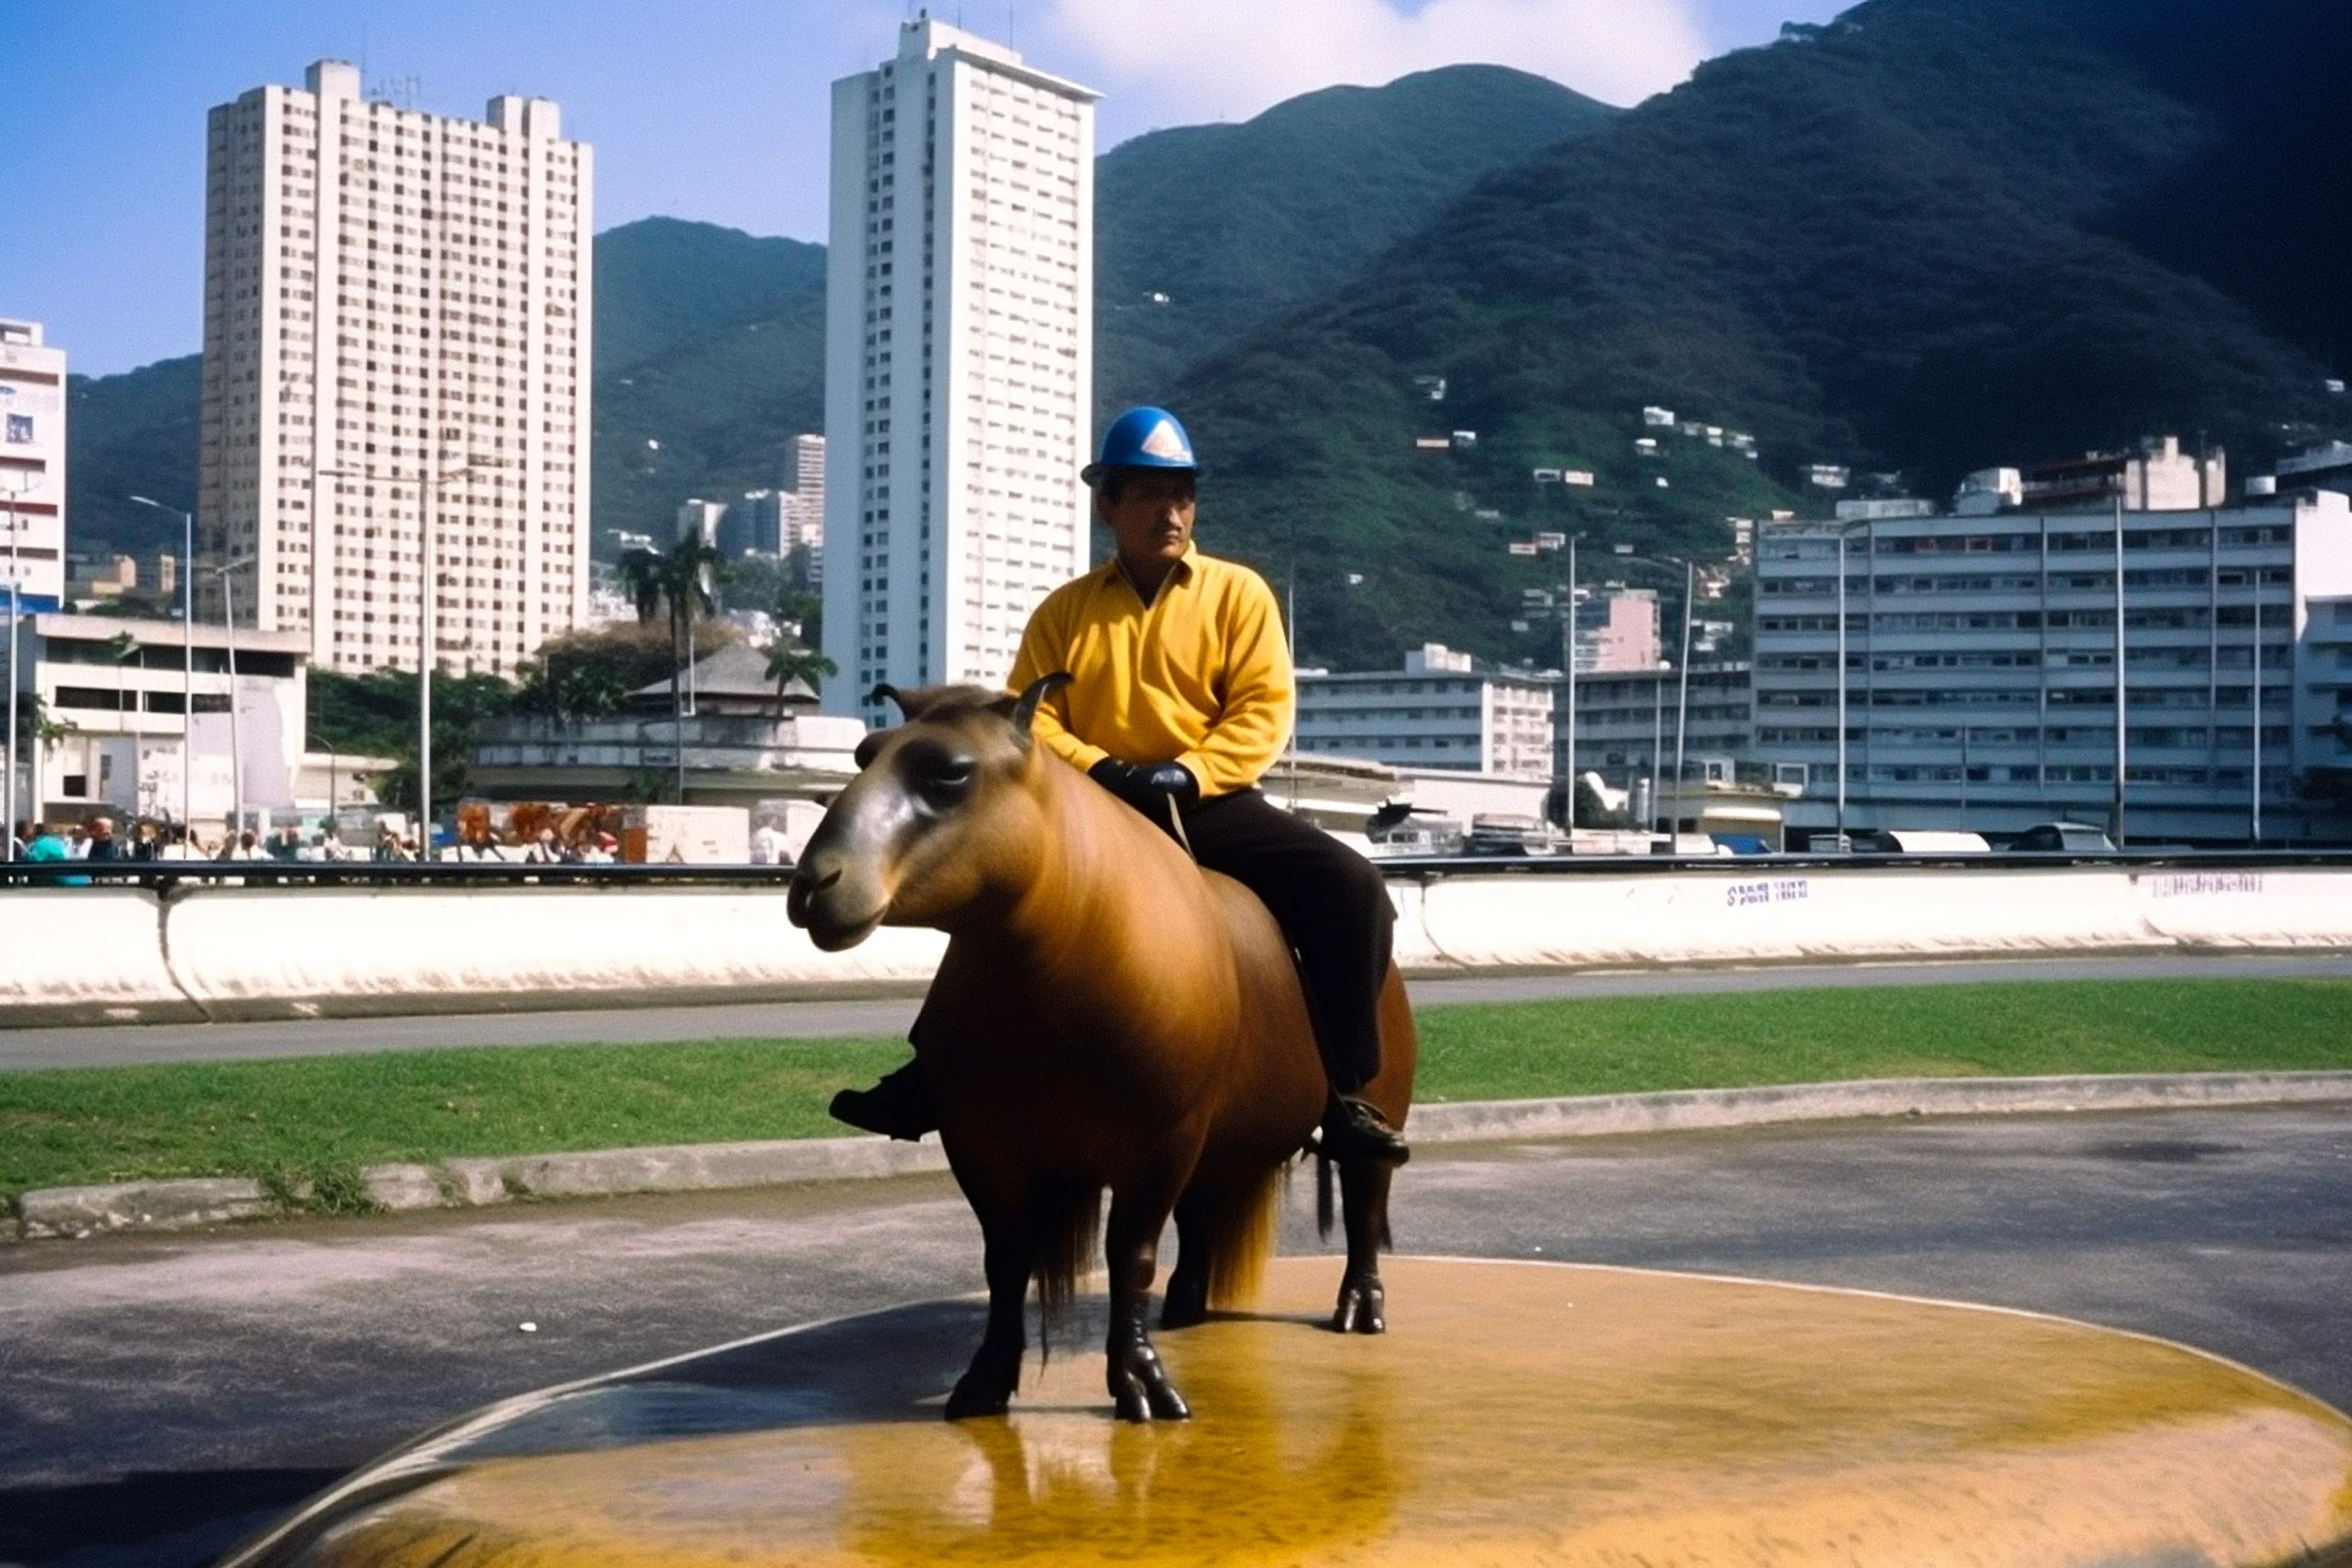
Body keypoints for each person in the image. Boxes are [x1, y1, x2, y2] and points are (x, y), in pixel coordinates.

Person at [829, 406, 1409, 1166]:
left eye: (1182, 496)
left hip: (1209, 804)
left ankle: (1344, 1093)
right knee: (989, 898)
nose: (1170, 512)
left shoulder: (1239, 595)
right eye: (1150, 496)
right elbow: (1025, 721)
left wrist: (1190, 771)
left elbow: (1263, 710)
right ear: (1110, 505)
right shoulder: (1064, 611)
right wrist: (1102, 769)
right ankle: (931, 1071)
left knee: (1354, 886)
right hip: (1095, 814)